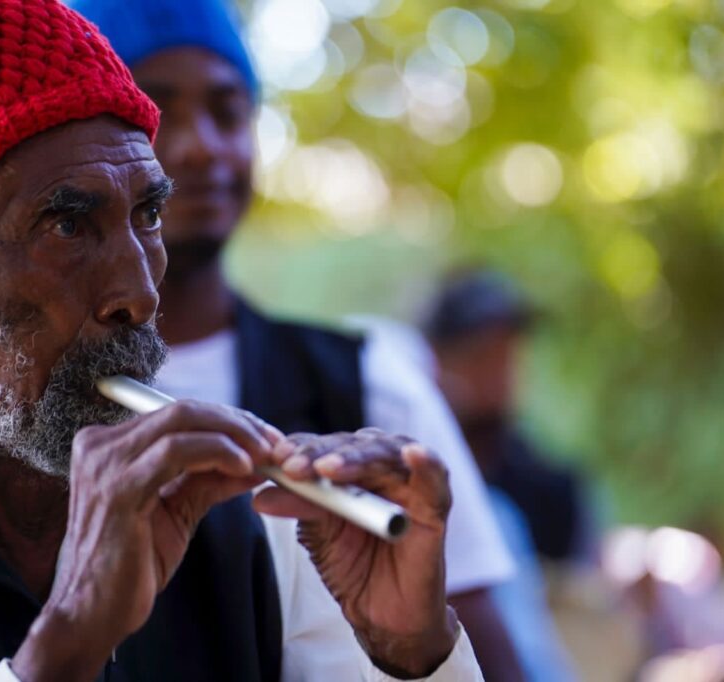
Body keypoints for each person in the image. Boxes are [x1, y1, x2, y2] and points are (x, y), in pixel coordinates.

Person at [0, 1, 483, 680]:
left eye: (148, 214)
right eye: (65, 225)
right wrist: (65, 645)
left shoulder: (259, 529)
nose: (141, 294)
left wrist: (407, 655)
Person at [68, 1, 523, 678]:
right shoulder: (36, 396)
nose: (201, 146)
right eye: (155, 111)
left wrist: (412, 644)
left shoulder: (367, 380)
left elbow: (485, 653)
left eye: (228, 111)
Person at [423, 270, 596, 564]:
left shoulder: (550, 488)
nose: (497, 375)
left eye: (507, 355)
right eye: (480, 356)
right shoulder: (413, 470)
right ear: (438, 360)